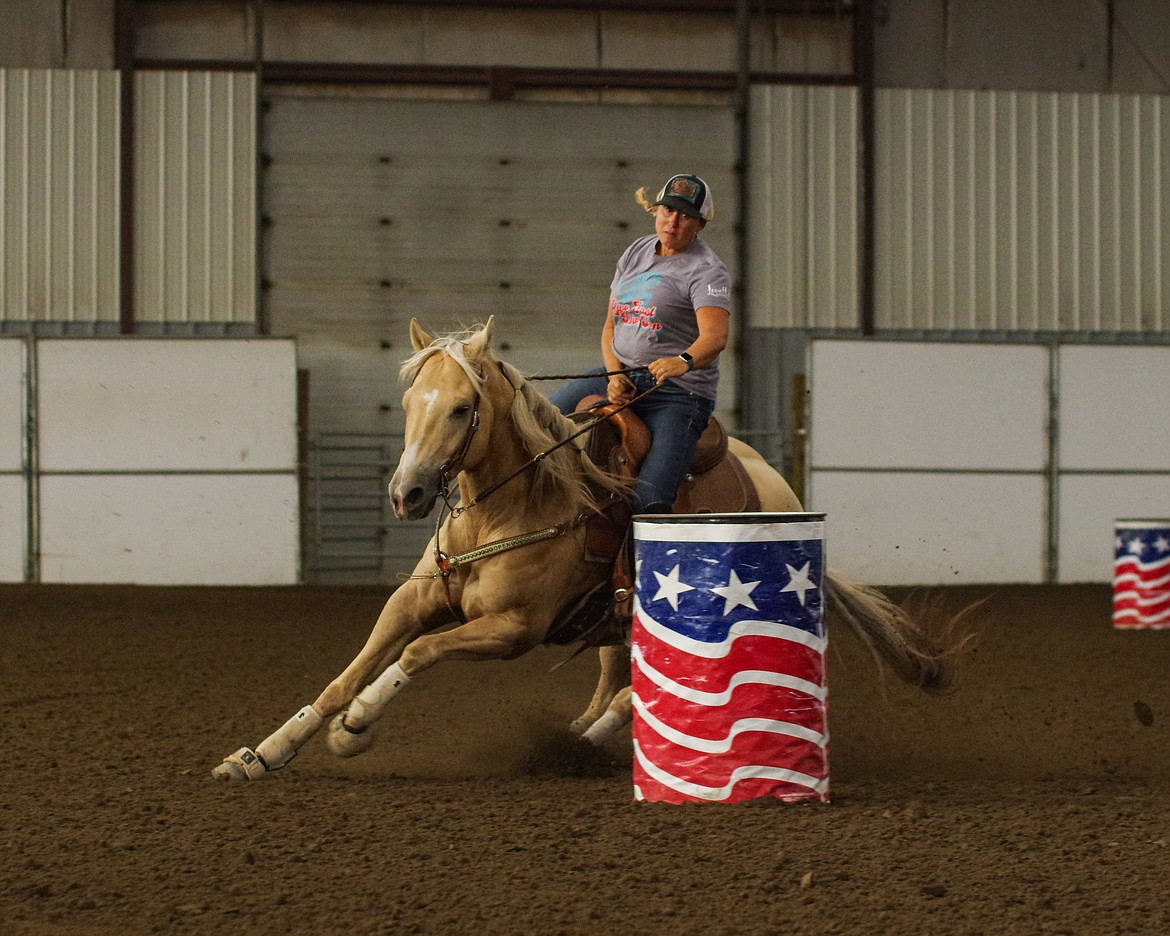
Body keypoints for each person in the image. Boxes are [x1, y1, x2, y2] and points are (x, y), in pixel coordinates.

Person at [549, 173, 732, 514]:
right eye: (667, 210)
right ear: (654, 211)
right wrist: (615, 374)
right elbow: (610, 326)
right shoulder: (636, 251)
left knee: (650, 500)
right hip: (623, 375)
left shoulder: (708, 271)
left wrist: (683, 361)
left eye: (686, 216)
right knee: (539, 422)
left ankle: (644, 563)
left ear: (700, 225)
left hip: (678, 393)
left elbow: (715, 337)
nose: (673, 222)